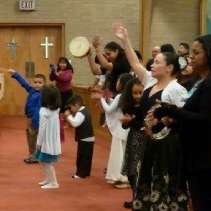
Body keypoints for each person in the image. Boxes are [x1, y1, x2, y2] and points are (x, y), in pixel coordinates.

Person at [113, 23, 188, 210]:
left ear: (169, 68)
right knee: (145, 183)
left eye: (157, 62)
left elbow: (183, 118)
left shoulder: (176, 89)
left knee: (164, 186)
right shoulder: (150, 81)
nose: (152, 64)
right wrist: (125, 41)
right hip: (149, 143)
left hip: (167, 146)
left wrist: (165, 121)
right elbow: (134, 63)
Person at [152, 34, 211, 211]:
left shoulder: (209, 84)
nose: (191, 56)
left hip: (205, 157)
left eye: (196, 52)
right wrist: (173, 122)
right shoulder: (198, 82)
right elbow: (192, 115)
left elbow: (205, 120)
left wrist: (171, 110)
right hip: (194, 154)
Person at [7, 69, 46, 164]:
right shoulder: (32, 90)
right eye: (35, 82)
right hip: (30, 119)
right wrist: (15, 74)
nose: (37, 84)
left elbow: (39, 110)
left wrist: (34, 121)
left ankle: (35, 156)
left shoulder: (43, 94)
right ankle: (33, 155)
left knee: (35, 138)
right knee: (30, 137)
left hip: (37, 120)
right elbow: (24, 83)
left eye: (40, 83)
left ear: (44, 84)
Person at [118, 78, 144, 208]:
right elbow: (125, 127)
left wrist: (131, 121)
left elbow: (142, 125)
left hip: (143, 140)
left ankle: (139, 200)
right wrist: (126, 122)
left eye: (141, 92)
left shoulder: (145, 106)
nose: (138, 96)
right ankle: (135, 198)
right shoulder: (128, 106)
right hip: (133, 139)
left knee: (139, 172)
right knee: (131, 172)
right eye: (135, 93)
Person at [35, 85, 61, 189]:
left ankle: (54, 182)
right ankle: (48, 179)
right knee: (43, 161)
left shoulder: (43, 111)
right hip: (52, 141)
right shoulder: (56, 110)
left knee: (47, 162)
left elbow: (42, 129)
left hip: (46, 141)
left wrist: (39, 143)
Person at [65, 94, 95, 179]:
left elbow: (75, 123)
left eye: (71, 107)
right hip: (89, 137)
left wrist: (68, 116)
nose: (71, 110)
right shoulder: (86, 111)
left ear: (76, 105)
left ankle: (80, 173)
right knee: (87, 157)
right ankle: (86, 172)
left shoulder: (80, 113)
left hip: (85, 138)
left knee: (82, 157)